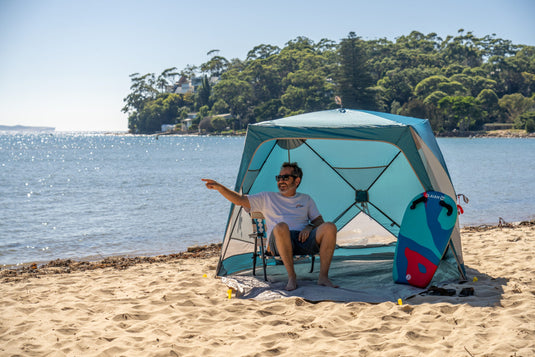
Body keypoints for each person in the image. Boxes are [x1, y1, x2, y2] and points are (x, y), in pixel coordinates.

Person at [202, 162, 338, 291]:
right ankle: (292, 276)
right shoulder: (267, 197)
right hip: (278, 241)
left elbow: (319, 221)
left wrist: (309, 227)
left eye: (285, 177)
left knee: (330, 227)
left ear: (297, 181)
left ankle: (323, 277)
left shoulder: (306, 199)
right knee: (281, 227)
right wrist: (220, 187)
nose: (281, 181)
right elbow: (239, 200)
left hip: (302, 240)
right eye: (279, 177)